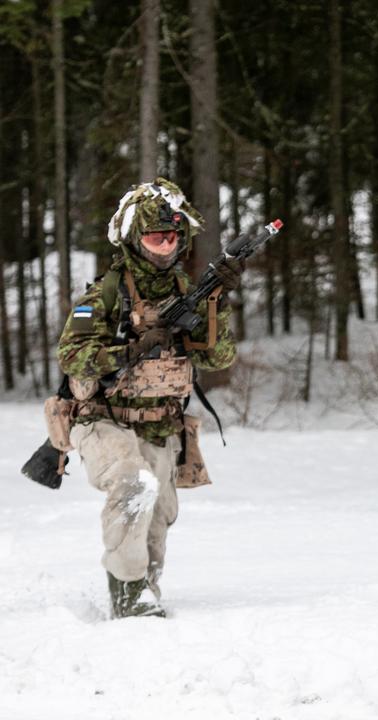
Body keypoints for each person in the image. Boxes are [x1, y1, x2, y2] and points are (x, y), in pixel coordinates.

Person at [57, 178, 239, 619]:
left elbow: (217, 358)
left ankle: (144, 590)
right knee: (132, 485)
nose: (166, 246)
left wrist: (215, 305)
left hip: (161, 423)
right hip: (104, 419)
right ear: (135, 241)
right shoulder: (104, 293)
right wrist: (130, 349)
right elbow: (71, 356)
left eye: (173, 237)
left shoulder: (188, 293)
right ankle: (129, 596)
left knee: (158, 517)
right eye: (156, 238)